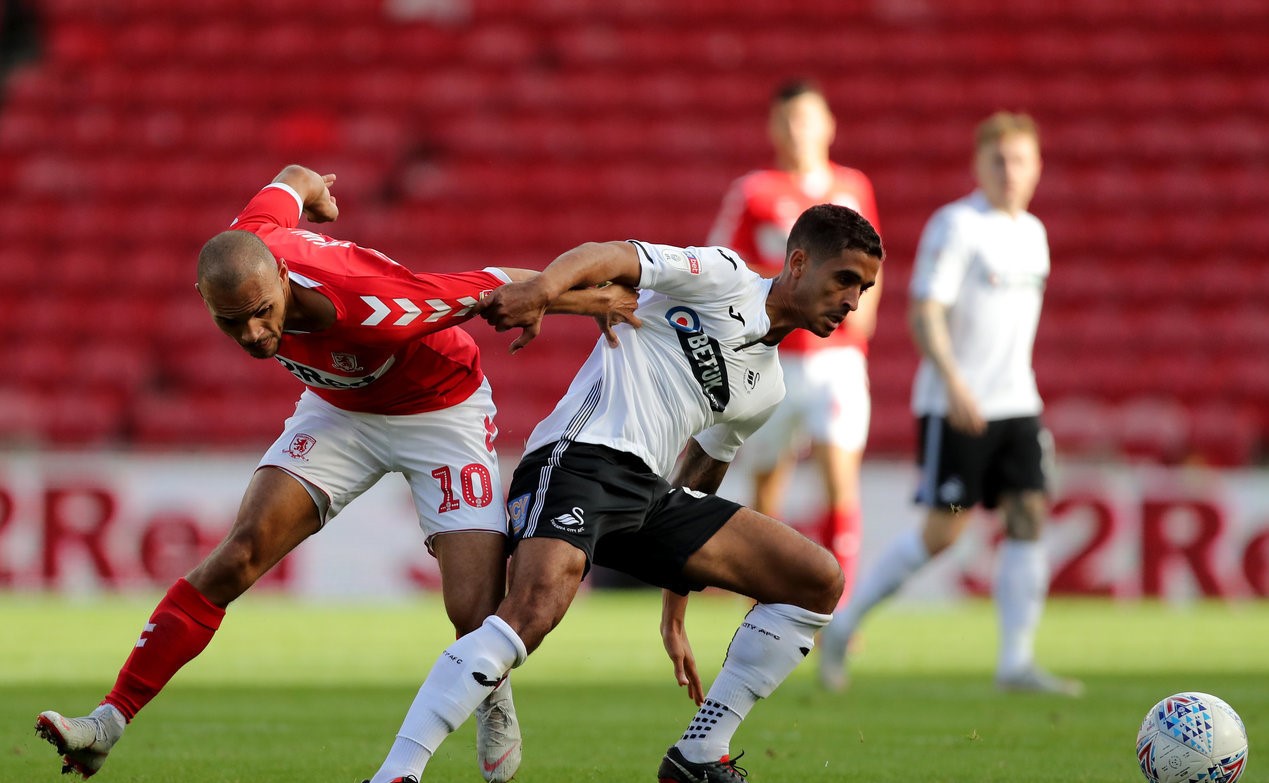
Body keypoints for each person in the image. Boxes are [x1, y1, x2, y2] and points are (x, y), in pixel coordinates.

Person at [34, 164, 639, 782]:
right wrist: (315, 191)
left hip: (440, 411)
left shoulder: (376, 308)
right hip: (338, 410)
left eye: (262, 313)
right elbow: (292, 177)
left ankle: (493, 694)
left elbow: (495, 285)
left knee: (474, 610)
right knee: (239, 554)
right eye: (231, 321)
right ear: (204, 299)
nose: (253, 334)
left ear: (284, 277)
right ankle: (108, 723)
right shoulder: (249, 240)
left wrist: (592, 300)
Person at [358, 203, 883, 783]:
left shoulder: (768, 388)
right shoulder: (725, 276)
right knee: (532, 611)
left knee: (816, 579)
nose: (853, 301)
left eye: (863, 288)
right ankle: (397, 774)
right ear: (799, 263)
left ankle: (700, 753)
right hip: (581, 455)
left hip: (650, 497)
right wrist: (542, 290)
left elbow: (701, 478)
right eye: (845, 280)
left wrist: (674, 608)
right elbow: (607, 256)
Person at [818, 112, 1083, 696]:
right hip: (956, 402)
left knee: (1028, 515)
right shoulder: (958, 226)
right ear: (979, 165)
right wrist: (956, 383)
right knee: (944, 533)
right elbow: (924, 310)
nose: (1009, 172)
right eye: (998, 160)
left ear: (1037, 168)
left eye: (1019, 161)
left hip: (1017, 401)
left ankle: (1016, 662)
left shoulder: (1033, 234)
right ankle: (845, 625)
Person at [708, 79, 883, 603]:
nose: (797, 130)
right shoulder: (754, 191)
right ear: (772, 128)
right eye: (786, 120)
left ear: (829, 124)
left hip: (838, 360)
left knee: (840, 482)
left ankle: (838, 612)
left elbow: (875, 264)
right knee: (767, 490)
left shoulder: (853, 189)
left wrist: (857, 311)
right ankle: (767, 601)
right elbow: (725, 268)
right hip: (774, 359)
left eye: (806, 118)